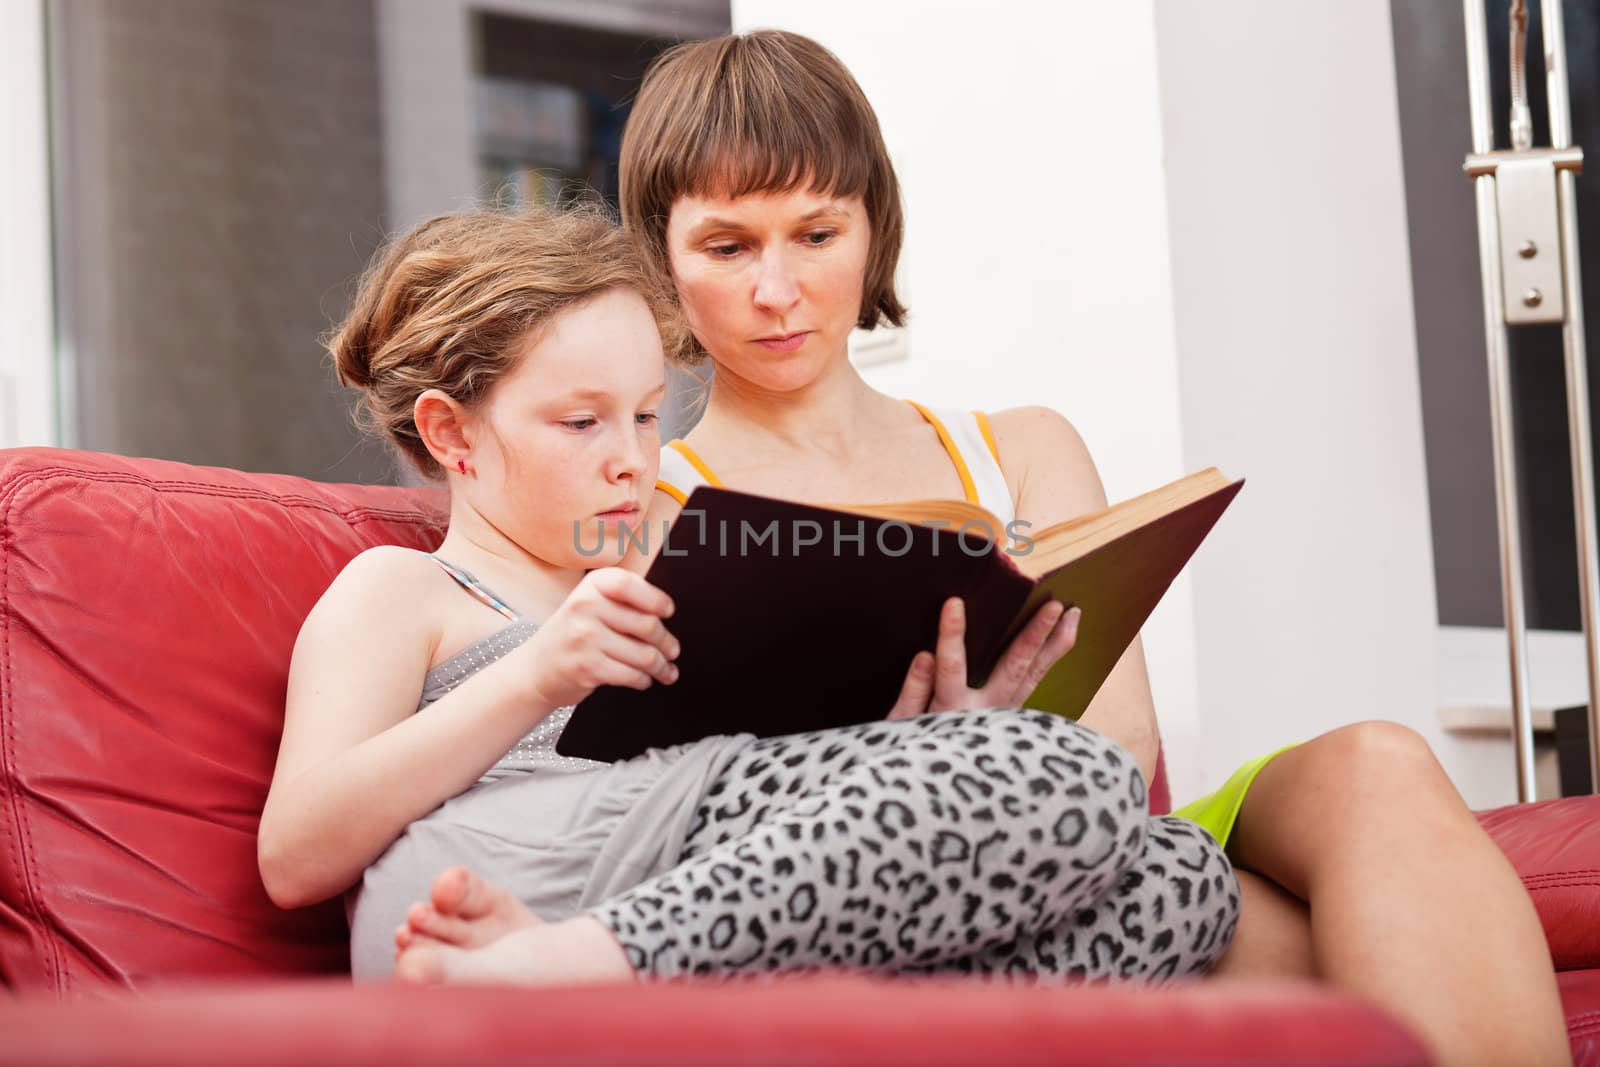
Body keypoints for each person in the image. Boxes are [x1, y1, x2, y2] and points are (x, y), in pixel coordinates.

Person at [397, 31, 1570, 1067]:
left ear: (872, 228)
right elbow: (670, 799)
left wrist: (1006, 737)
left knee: (1376, 758)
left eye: (816, 231)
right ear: (661, 259)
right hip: (901, 880)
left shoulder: (1018, 448)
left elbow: (1121, 742)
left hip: (1098, 818)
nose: (777, 288)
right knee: (1342, 946)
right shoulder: (640, 502)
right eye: (725, 246)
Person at [256, 206, 1239, 988]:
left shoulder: (669, 568)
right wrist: (533, 676)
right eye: (580, 421)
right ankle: (579, 960)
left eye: (646, 416)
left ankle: (690, 988)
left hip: (704, 882)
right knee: (1078, 773)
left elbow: (782, 793)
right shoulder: (406, 589)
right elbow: (295, 854)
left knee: (1182, 880)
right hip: (494, 891)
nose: (631, 459)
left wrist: (938, 740)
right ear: (451, 433)